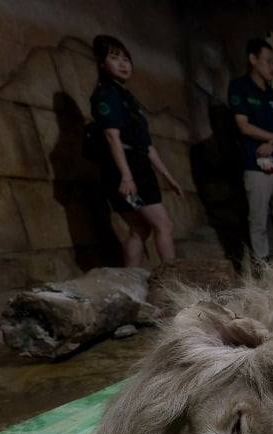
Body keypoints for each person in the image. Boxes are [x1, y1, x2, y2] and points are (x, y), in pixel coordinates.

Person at [89, 35, 183, 266]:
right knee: (163, 224)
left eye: (126, 58)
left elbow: (146, 145)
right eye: (114, 58)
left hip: (138, 165)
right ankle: (173, 285)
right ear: (101, 63)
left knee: (139, 228)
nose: (123, 64)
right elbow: (112, 136)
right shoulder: (106, 95)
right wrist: (126, 176)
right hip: (126, 168)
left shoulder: (127, 97)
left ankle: (131, 281)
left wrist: (168, 177)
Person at [228, 37, 273, 273]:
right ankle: (262, 268)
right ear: (253, 59)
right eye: (268, 62)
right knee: (258, 219)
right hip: (255, 165)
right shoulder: (239, 87)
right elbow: (243, 126)